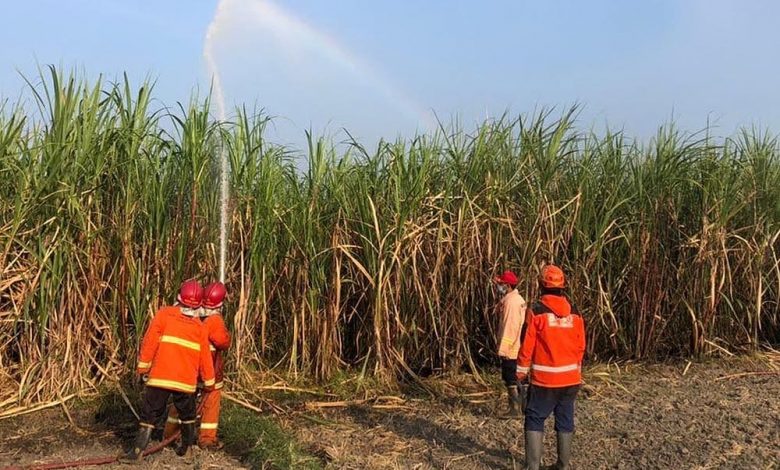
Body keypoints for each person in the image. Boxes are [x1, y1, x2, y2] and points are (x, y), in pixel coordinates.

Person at [119, 280, 216, 463]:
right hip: (185, 381)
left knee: (150, 414)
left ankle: (137, 452)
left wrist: (143, 367)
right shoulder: (199, 327)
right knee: (187, 414)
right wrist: (209, 382)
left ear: (179, 297)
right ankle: (186, 450)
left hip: (161, 377)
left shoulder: (164, 315)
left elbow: (150, 342)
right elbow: (205, 357)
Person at [515, 265, 586, 470]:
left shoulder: (536, 312)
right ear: (562, 286)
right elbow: (581, 345)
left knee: (535, 418)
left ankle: (533, 466)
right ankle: (562, 465)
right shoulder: (576, 313)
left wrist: (520, 371)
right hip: (571, 379)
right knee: (565, 419)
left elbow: (526, 345)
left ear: (541, 285)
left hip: (545, 380)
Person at [164, 281, 231, 449]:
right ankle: (207, 439)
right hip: (210, 370)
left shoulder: (192, 315)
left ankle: (170, 434)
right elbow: (223, 342)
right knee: (211, 401)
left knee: (182, 401)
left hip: (190, 368)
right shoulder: (214, 320)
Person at [493, 270, 527, 418]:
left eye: (500, 284)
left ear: (507, 285)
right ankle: (525, 408)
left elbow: (510, 326)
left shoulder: (511, 302)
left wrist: (503, 349)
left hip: (512, 348)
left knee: (510, 377)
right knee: (521, 377)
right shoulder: (517, 299)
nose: (498, 286)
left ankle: (515, 409)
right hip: (519, 346)